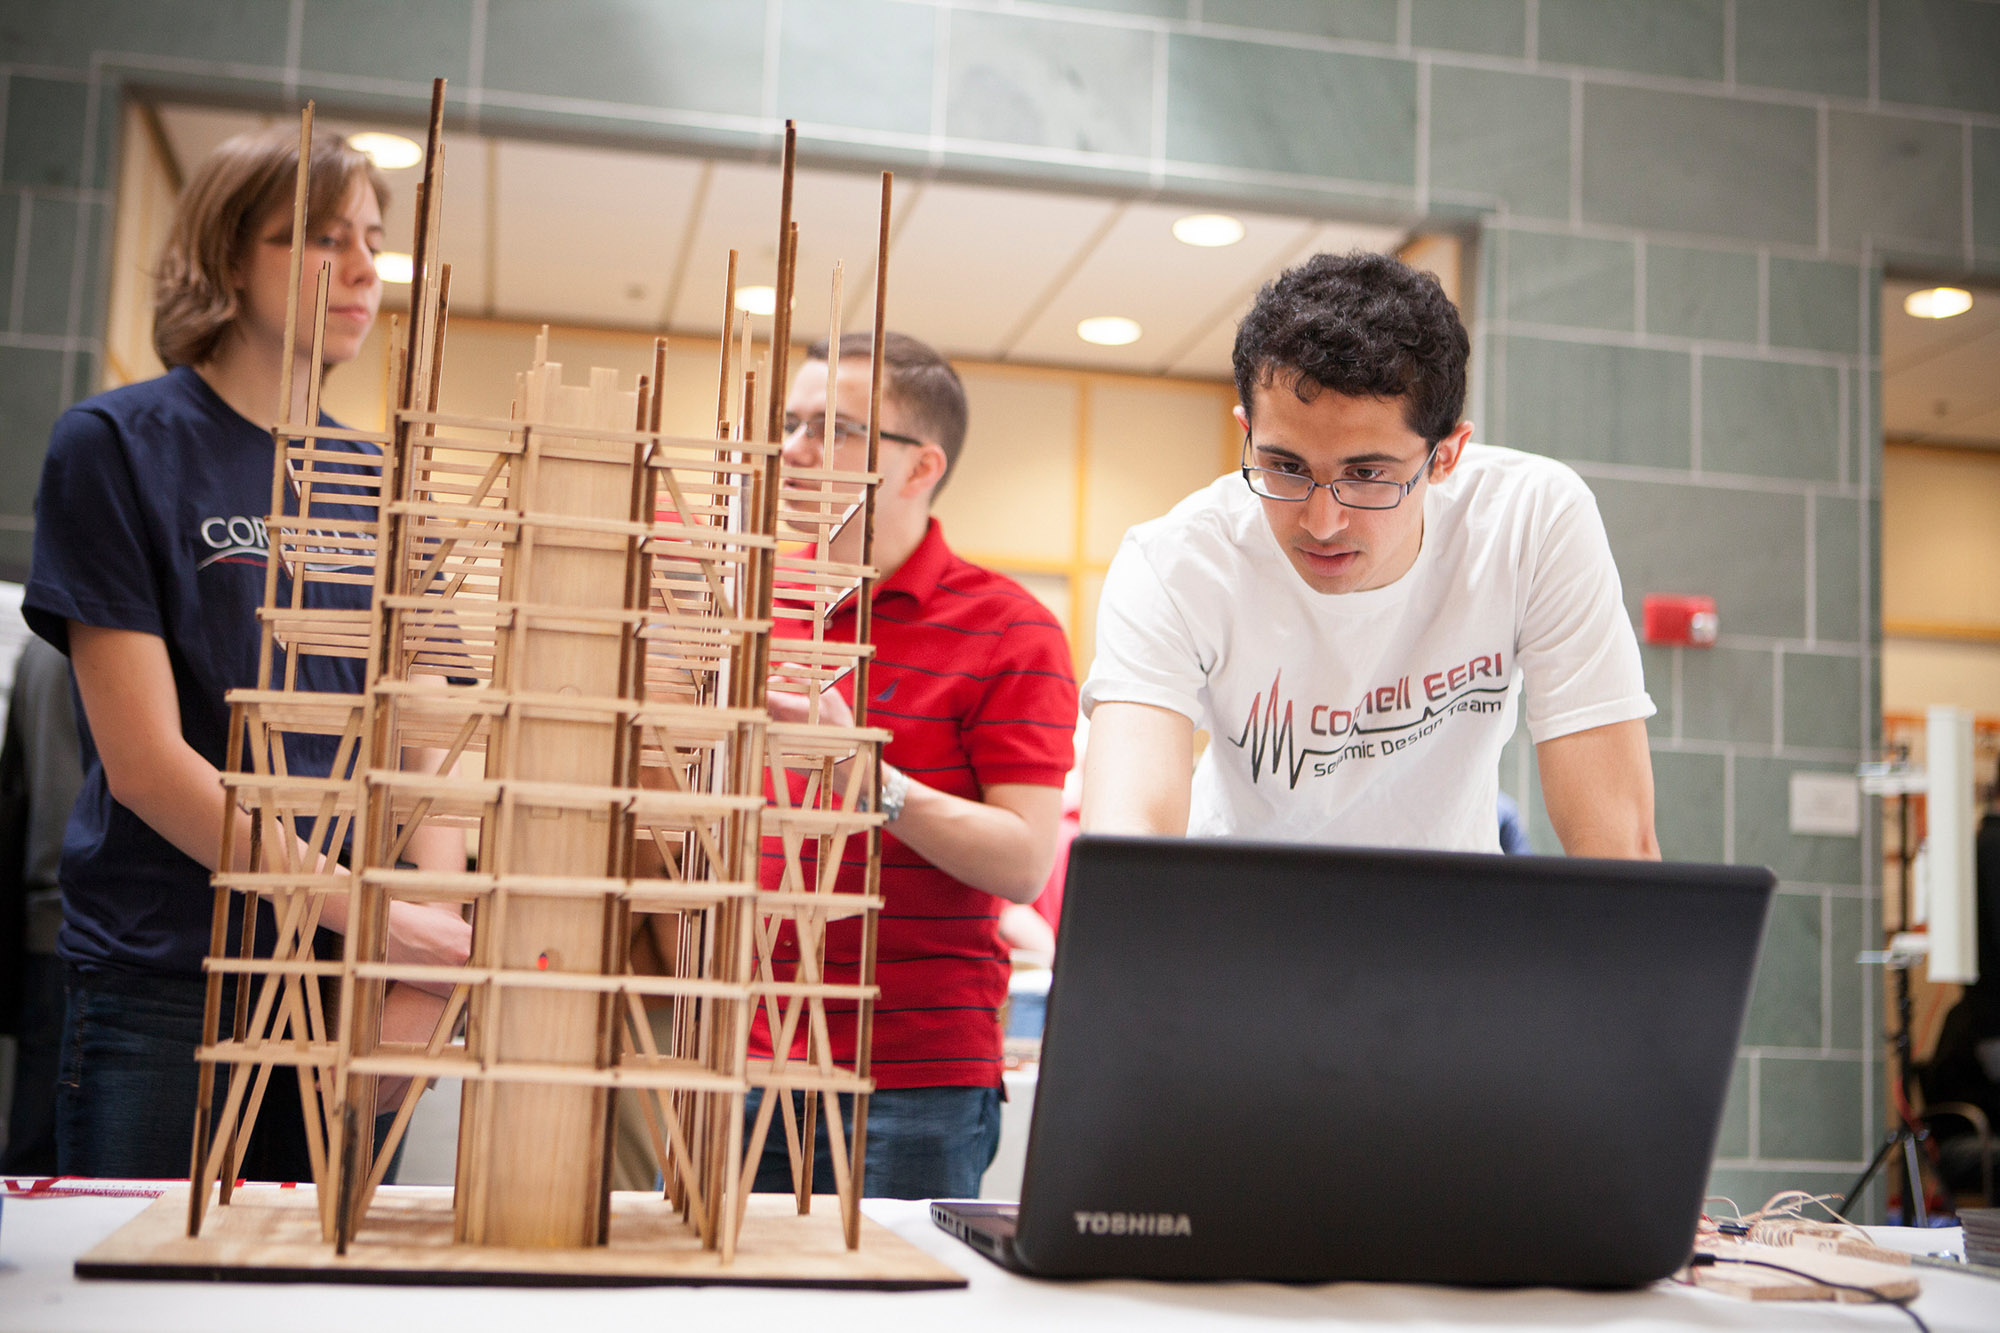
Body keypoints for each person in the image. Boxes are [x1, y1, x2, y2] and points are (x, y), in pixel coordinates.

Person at [22, 127, 471, 1179]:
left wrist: (425, 960)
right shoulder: (116, 445)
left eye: (370, 236)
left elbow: (437, 741)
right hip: (168, 984)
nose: (364, 268)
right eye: (320, 238)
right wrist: (368, 914)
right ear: (229, 258)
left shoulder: (384, 480)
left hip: (349, 982)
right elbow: (143, 763)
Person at [1081, 251, 1658, 858]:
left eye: (1366, 474)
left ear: (1447, 457)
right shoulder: (1176, 563)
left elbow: (1616, 842)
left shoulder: (1531, 523)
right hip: (1238, 927)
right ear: (1246, 432)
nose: (1321, 522)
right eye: (1285, 467)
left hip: (1450, 931)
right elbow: (1126, 838)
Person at [748, 331, 1077, 1199]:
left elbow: (1022, 859)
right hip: (745, 1055)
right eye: (792, 421)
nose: (795, 451)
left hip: (912, 1081)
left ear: (920, 465)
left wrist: (869, 779)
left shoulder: (1012, 628)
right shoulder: (754, 609)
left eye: (835, 428)